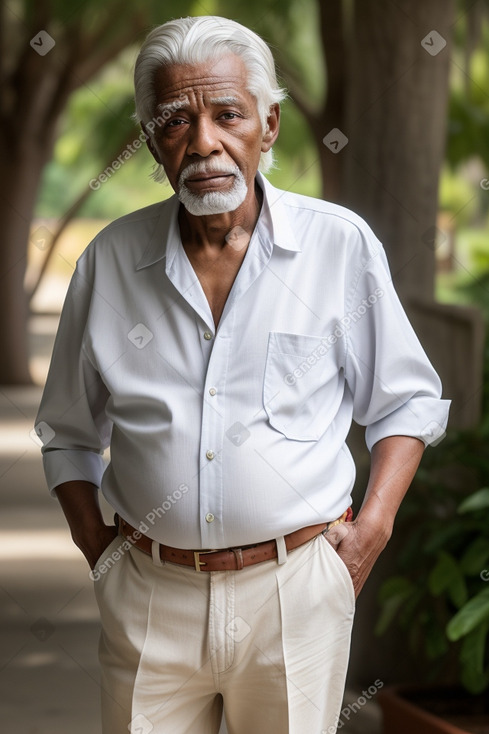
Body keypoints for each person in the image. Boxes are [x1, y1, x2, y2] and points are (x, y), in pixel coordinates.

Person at [35, 15, 450, 734]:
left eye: (228, 115)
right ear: (149, 141)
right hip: (149, 595)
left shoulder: (337, 247)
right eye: (173, 122)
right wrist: (100, 553)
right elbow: (67, 432)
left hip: (295, 593)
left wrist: (372, 529)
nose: (203, 143)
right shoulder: (108, 262)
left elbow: (406, 401)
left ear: (269, 124)